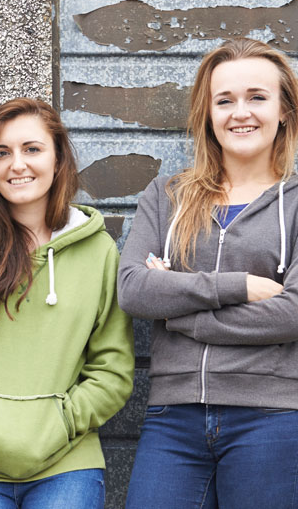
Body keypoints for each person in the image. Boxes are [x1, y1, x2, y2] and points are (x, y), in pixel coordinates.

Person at [0, 98, 134, 509]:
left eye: (32, 149)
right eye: (2, 153)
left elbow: (113, 368)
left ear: (58, 158)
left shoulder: (99, 250)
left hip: (68, 463)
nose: (17, 164)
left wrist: (64, 422)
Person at [118, 37, 298, 509]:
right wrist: (238, 287)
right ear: (208, 114)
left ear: (283, 111)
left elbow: (292, 313)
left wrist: (179, 312)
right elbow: (134, 290)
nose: (241, 112)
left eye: (257, 97)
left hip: (271, 417)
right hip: (171, 417)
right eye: (225, 100)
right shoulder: (166, 195)